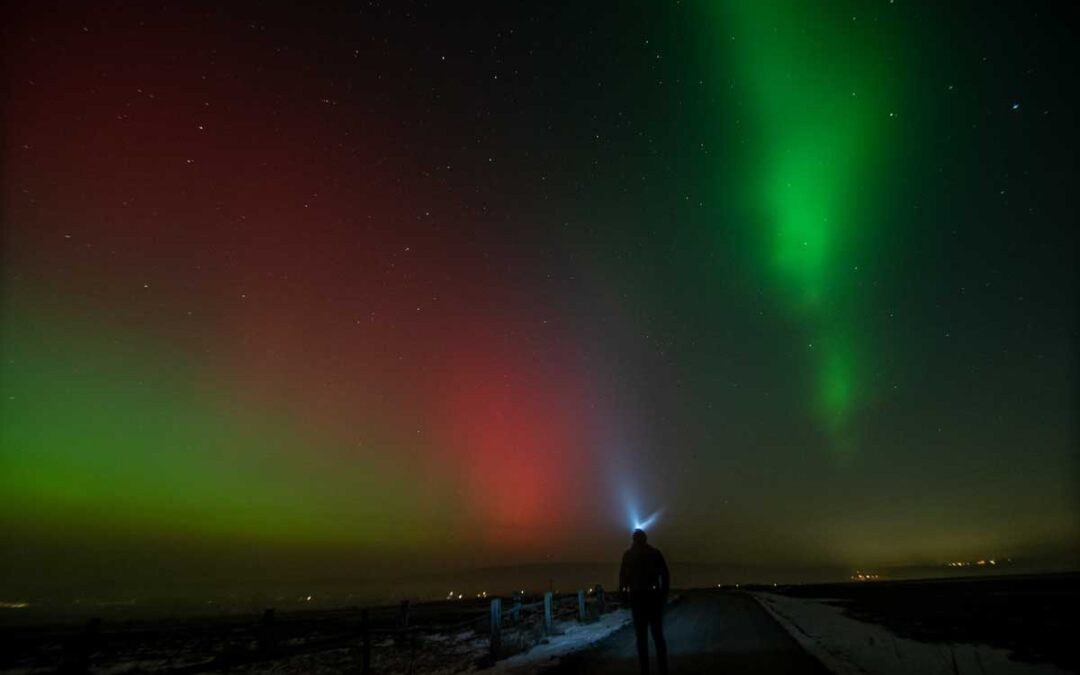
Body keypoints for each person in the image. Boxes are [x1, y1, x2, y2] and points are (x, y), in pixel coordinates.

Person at [619, 528, 669, 675]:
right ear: (645, 539)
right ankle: (662, 668)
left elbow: (623, 578)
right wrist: (663, 595)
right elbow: (665, 574)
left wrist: (624, 597)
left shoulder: (628, 555)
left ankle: (645, 670)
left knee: (641, 637)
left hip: (637, 600)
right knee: (657, 635)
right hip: (653, 599)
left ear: (634, 540)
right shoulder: (655, 553)